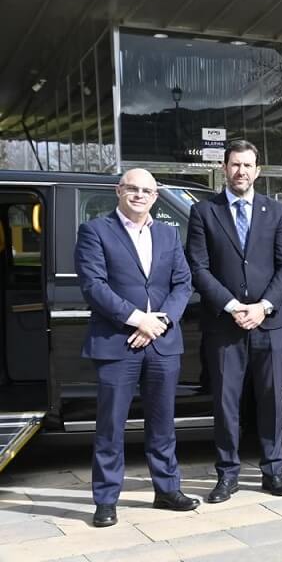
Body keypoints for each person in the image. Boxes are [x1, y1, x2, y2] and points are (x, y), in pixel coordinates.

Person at [76, 168, 199, 528]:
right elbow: (93, 286)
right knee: (110, 426)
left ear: (156, 197)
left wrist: (158, 323)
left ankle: (166, 490)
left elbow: (183, 284)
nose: (140, 195)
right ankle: (106, 499)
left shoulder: (168, 234)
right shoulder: (95, 231)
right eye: (133, 188)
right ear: (119, 191)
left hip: (162, 343)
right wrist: (136, 319)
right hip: (118, 344)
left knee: (163, 424)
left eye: (147, 190)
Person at [187, 140, 282, 503]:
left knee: (271, 400)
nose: (242, 172)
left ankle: (273, 470)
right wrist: (233, 305)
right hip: (225, 324)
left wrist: (264, 305)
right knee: (226, 402)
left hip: (271, 321)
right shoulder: (204, 212)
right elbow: (198, 268)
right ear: (224, 167)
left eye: (248, 165)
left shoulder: (277, 211)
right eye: (236, 165)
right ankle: (227, 474)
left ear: (258, 170)